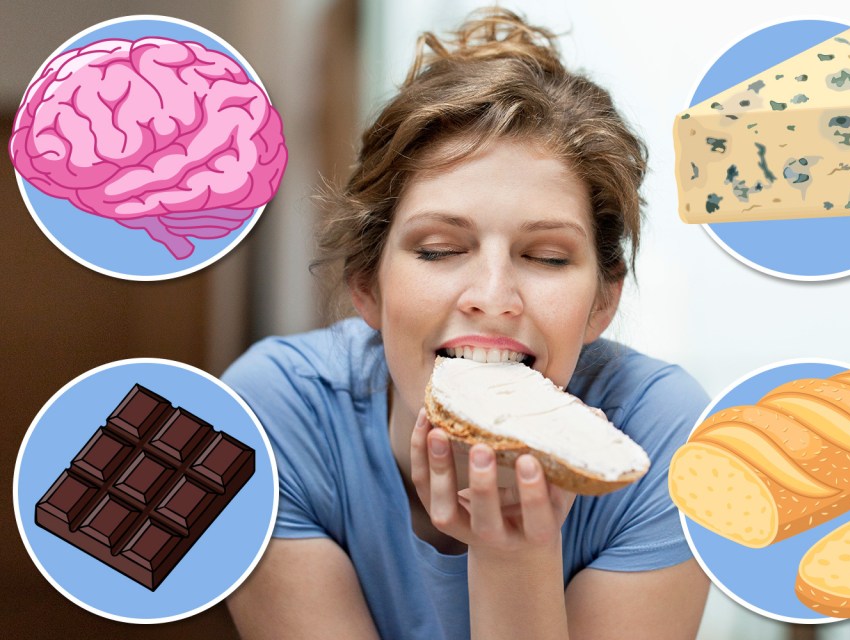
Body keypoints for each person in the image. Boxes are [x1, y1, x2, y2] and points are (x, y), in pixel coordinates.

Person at [223, 7, 710, 639]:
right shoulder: (267, 420)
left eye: (546, 257)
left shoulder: (667, 437)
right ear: (366, 286)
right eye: (439, 250)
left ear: (603, 302)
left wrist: (514, 555)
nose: (492, 296)